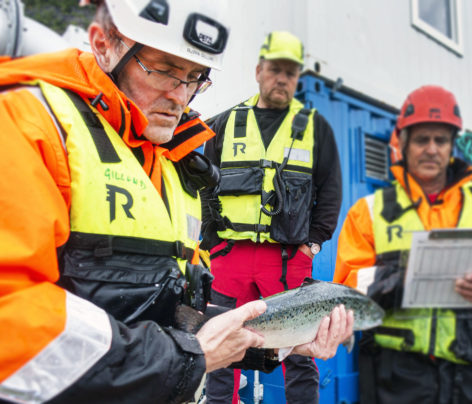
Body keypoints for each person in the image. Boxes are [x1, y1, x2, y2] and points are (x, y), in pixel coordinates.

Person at [0, 2, 354, 404]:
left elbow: (172, 312)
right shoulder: (29, 124)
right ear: (103, 44)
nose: (179, 95)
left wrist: (280, 339)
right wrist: (190, 358)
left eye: (194, 78)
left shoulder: (174, 161)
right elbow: (11, 320)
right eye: (165, 69)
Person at [334, 85, 472, 403]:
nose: (432, 149)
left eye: (441, 140)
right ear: (404, 144)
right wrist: (405, 276)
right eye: (422, 139)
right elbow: (345, 291)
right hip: (395, 378)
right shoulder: (369, 212)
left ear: (452, 146)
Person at [202, 31, 343, 404]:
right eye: (274, 69)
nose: (282, 78)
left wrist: (313, 244)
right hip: (229, 257)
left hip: (288, 257)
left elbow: (330, 191)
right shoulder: (223, 124)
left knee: (298, 353)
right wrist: (212, 244)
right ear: (258, 70)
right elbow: (203, 189)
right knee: (222, 346)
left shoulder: (316, 129)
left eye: (290, 73)